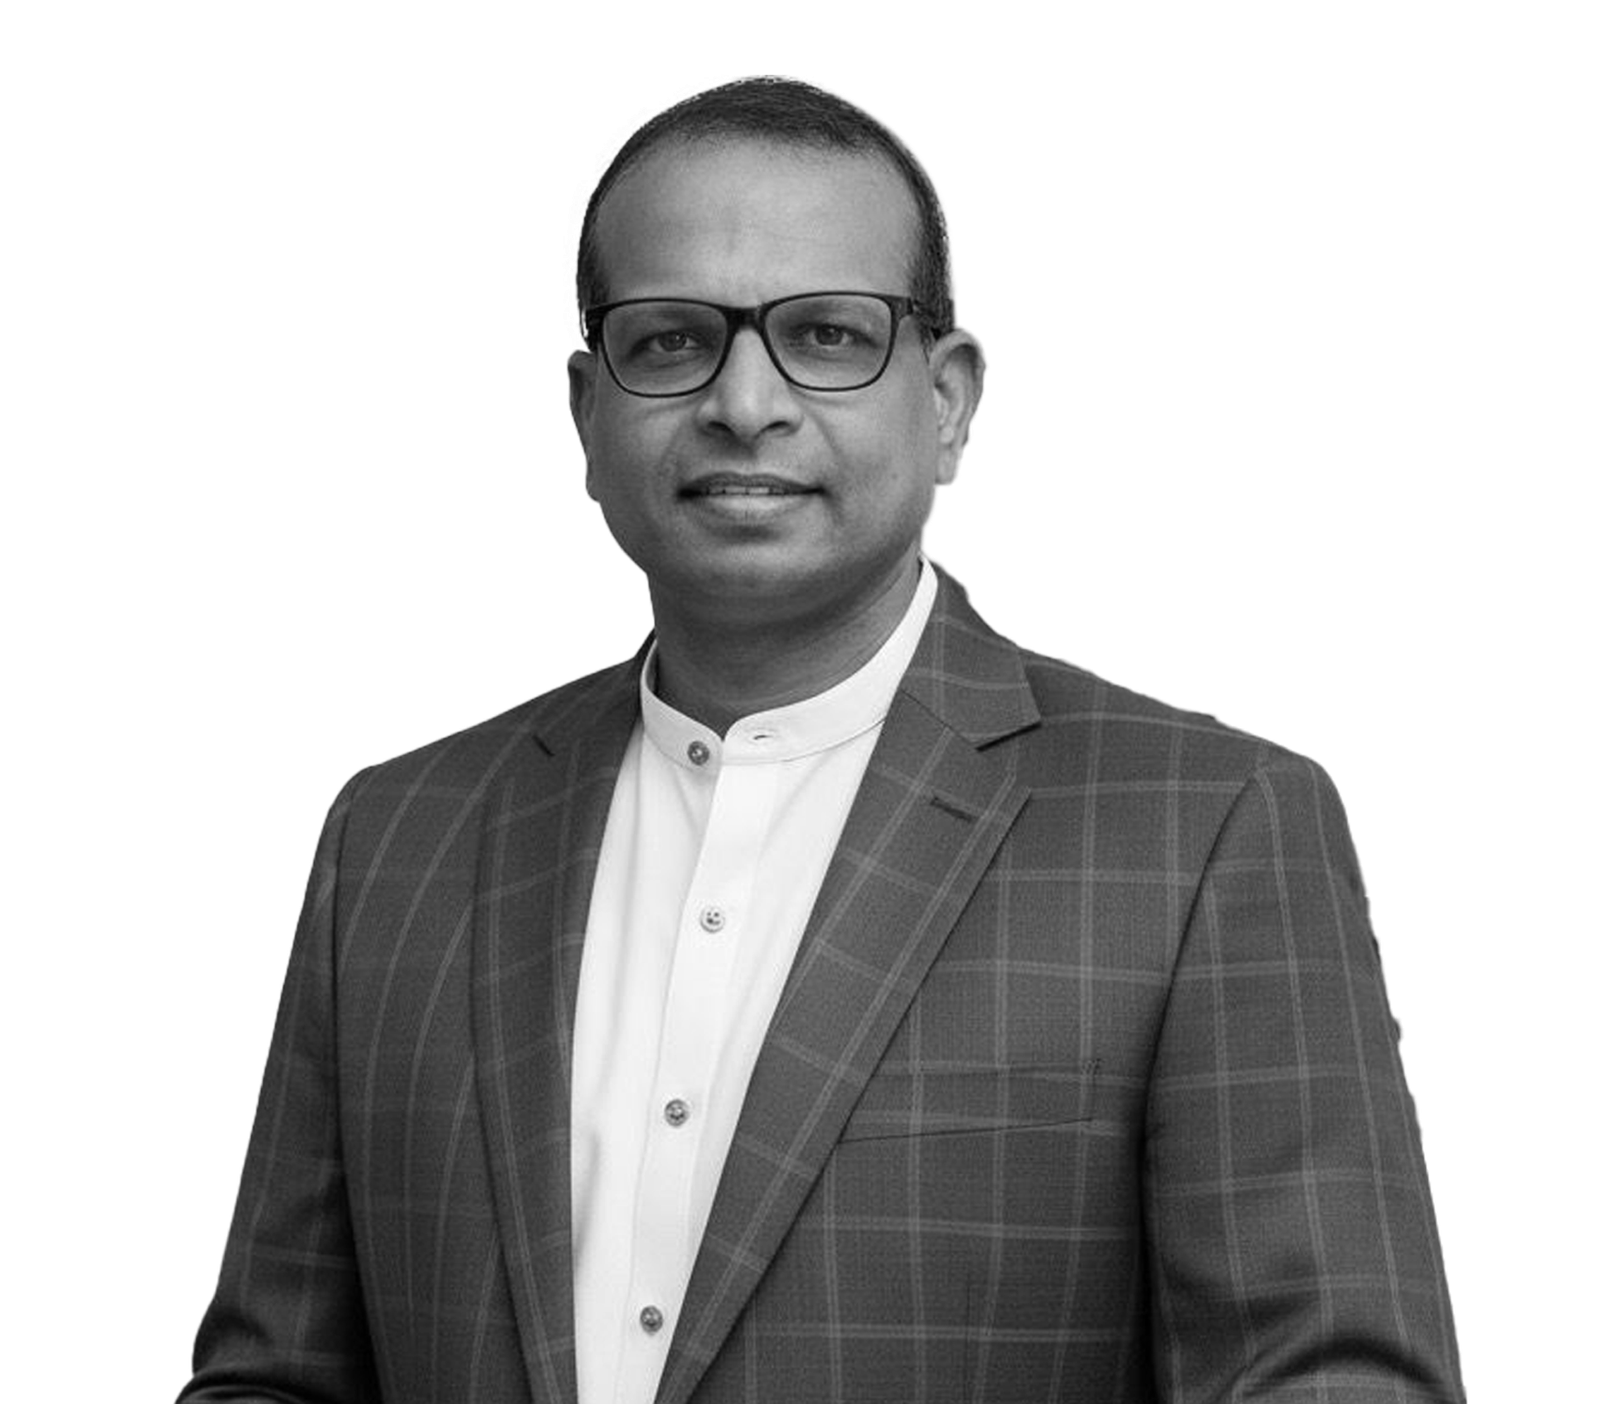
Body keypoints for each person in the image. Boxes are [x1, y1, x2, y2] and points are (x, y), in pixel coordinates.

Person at [180, 75, 1463, 1403]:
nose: (746, 402)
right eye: (671, 340)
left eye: (829, 335)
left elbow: (1329, 1383)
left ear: (949, 400)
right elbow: (274, 1378)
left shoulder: (1211, 828)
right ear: (584, 412)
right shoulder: (395, 835)